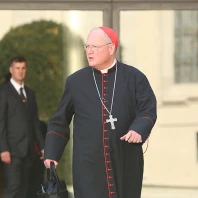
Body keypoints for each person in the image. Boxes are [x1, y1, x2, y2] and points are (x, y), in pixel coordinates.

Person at [44, 27, 157, 198]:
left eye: (95, 47)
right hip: (88, 164)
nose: (89, 51)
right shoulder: (76, 81)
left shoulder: (134, 77)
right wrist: (52, 152)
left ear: (111, 48)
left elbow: (147, 109)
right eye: (87, 46)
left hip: (124, 159)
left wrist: (138, 129)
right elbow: (60, 120)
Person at [0, 56, 45, 198]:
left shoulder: (30, 93)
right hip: (11, 152)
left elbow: (35, 123)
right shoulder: (3, 93)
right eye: (17, 68)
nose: (20, 71)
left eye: (23, 68)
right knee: (12, 189)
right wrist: (3, 149)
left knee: (25, 190)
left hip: (28, 152)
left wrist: (42, 147)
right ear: (11, 70)